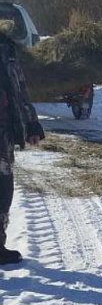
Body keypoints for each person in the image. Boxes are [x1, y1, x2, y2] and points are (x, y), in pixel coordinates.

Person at [0, 21, 44, 264]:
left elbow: (19, 89)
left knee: (3, 189)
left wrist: (32, 124)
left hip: (2, 131)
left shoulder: (6, 48)